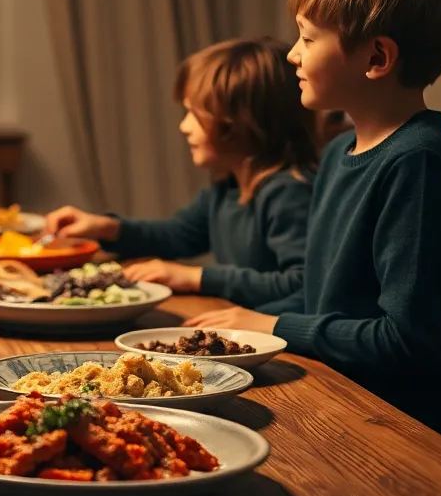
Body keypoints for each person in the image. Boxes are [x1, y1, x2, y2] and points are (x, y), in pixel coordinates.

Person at [188, 0, 441, 463]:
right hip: (353, 397)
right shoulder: (338, 151)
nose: (292, 56)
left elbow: (411, 345)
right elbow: (324, 296)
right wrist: (236, 320)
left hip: (424, 439)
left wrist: (273, 325)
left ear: (376, 57)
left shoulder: (418, 165)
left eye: (307, 38)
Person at [42, 37, 316, 308]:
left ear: (240, 124)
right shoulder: (228, 189)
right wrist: (108, 228)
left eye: (194, 114)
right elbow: (178, 235)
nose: (184, 127)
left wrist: (197, 277)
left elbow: (301, 284)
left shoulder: (288, 191)